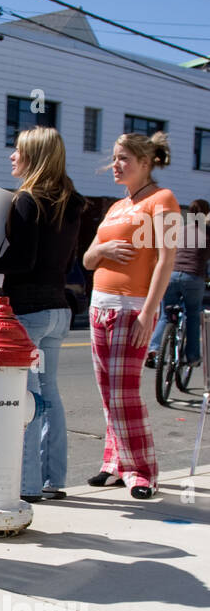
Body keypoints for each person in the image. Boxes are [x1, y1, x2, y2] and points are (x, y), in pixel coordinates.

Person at [0, 127, 84, 501]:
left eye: (18, 151)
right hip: (58, 310)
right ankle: (54, 480)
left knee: (26, 401)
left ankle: (27, 486)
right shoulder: (72, 203)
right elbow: (66, 260)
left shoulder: (27, 201)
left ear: (34, 157)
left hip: (28, 315)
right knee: (49, 396)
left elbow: (22, 260)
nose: (12, 156)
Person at [82, 130, 179, 500]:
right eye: (114, 157)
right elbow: (89, 260)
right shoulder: (115, 207)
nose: (115, 165)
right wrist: (104, 246)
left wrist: (148, 312)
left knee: (125, 395)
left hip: (132, 309)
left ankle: (141, 471)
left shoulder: (163, 199)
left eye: (123, 158)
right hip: (100, 306)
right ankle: (114, 463)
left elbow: (167, 259)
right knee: (108, 393)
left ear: (145, 162)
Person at [145, 198, 209, 371]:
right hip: (193, 278)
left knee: (165, 315)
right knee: (192, 314)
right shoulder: (206, 232)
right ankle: (193, 357)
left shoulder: (180, 231)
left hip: (171, 276)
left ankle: (154, 349)